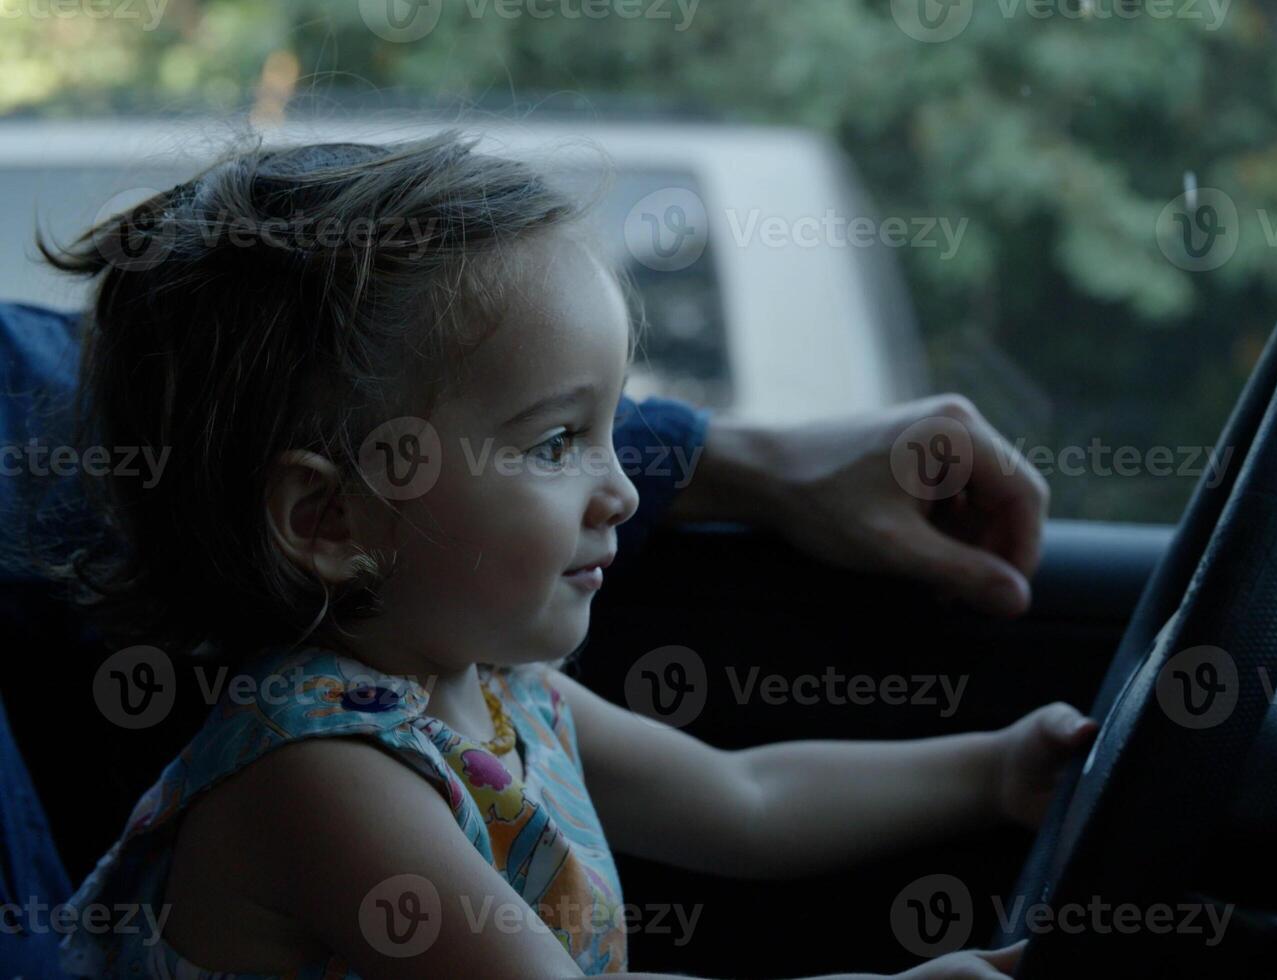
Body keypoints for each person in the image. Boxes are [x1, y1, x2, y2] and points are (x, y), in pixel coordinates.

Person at [43, 132, 1084, 978]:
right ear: (330, 520)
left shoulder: (494, 689)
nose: (624, 487)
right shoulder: (316, 777)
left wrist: (993, 772)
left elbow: (744, 799)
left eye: (606, 429)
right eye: (556, 442)